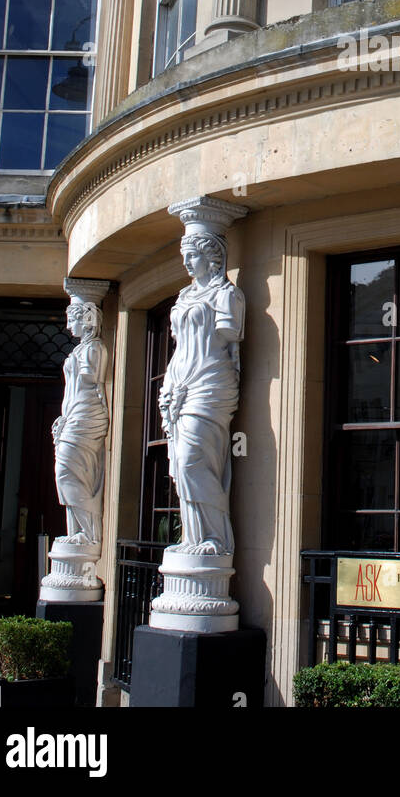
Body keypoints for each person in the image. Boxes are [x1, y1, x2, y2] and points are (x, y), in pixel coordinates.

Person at [159, 230, 245, 555]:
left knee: (193, 459)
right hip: (179, 383)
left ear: (213, 258)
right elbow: (181, 346)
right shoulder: (183, 297)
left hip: (210, 382)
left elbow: (227, 342)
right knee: (181, 466)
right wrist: (169, 385)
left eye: (192, 255)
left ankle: (215, 539)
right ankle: (193, 539)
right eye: (184, 256)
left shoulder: (227, 295)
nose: (186, 263)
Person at [52, 298, 108, 545]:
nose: (68, 327)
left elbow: (91, 381)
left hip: (86, 415)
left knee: (70, 471)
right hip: (74, 413)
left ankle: (87, 534)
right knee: (66, 472)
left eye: (72, 320)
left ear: (86, 322)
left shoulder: (94, 349)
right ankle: (76, 532)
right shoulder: (80, 350)